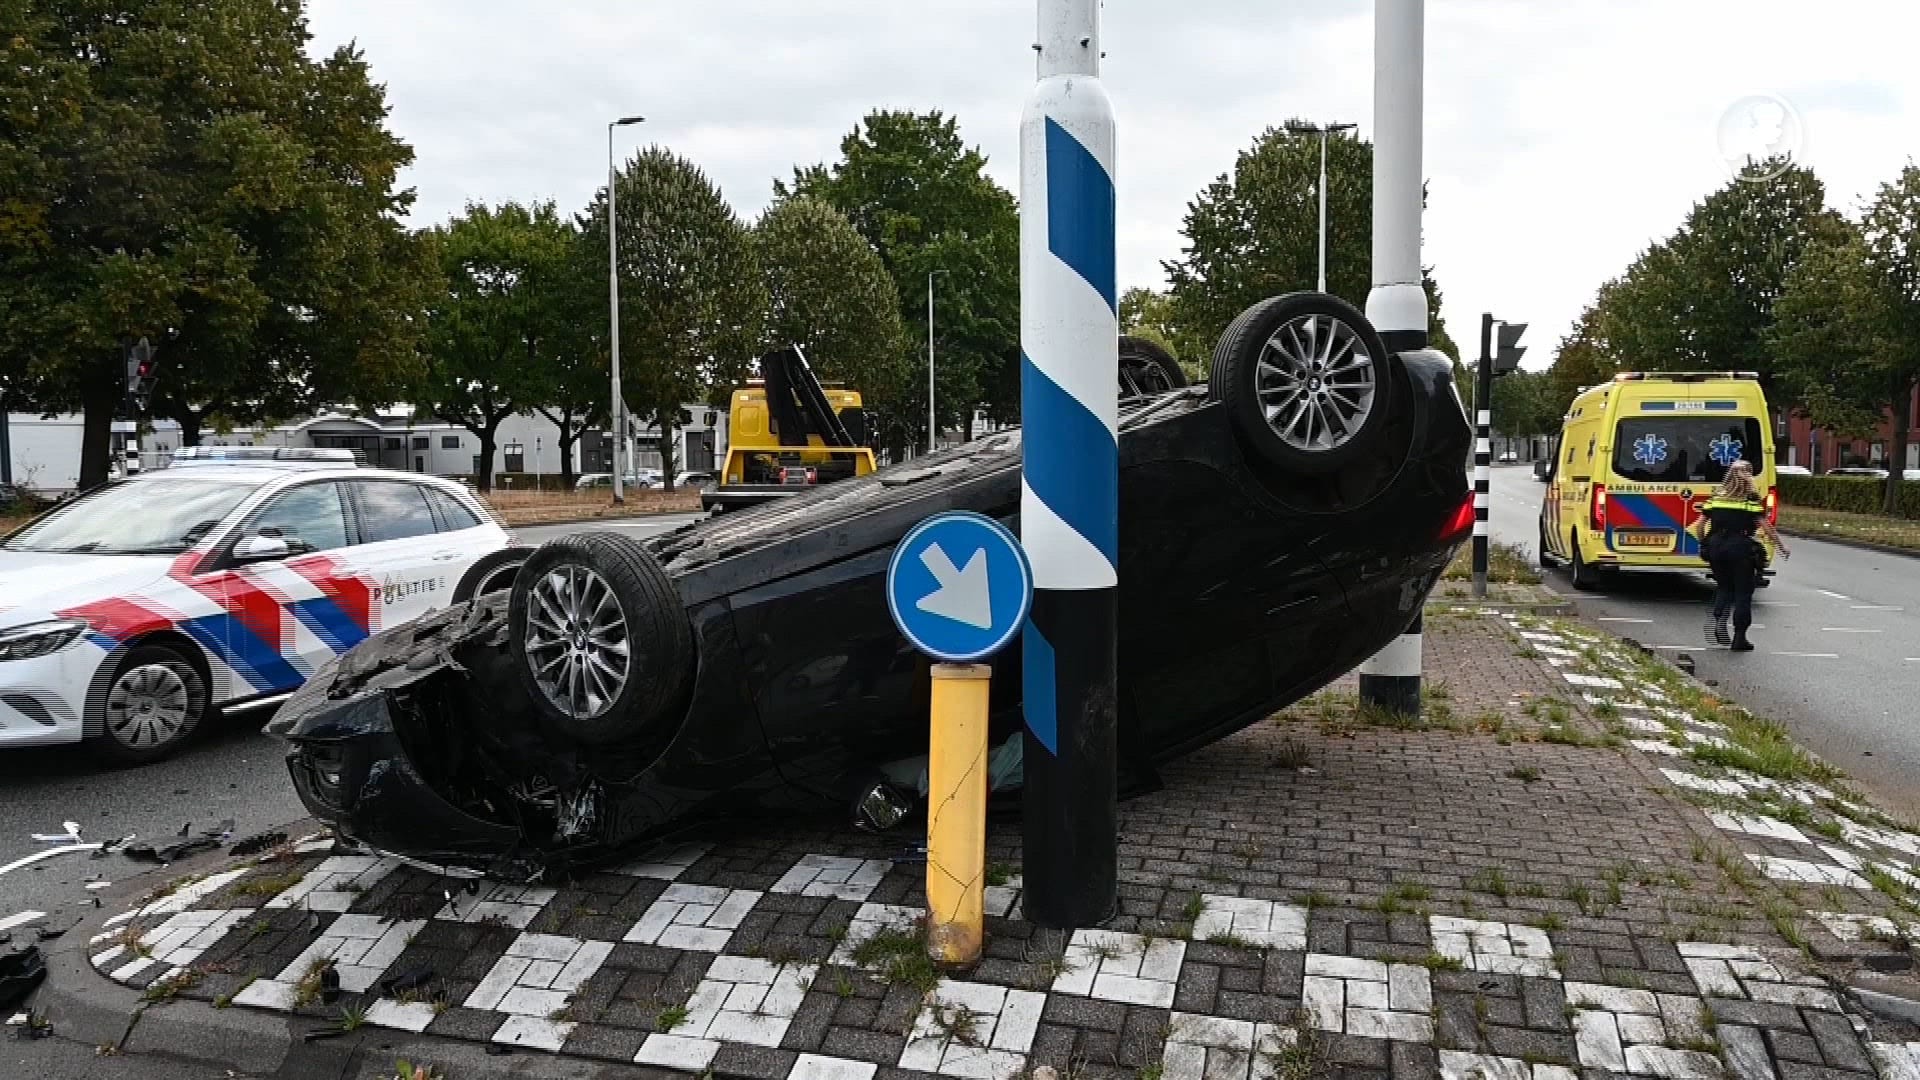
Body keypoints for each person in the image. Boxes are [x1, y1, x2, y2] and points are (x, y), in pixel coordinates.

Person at [1699, 460, 1789, 651]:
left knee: (1724, 587)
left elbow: (1700, 524)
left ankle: (1718, 619)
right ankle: (1739, 638)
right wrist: (1781, 546)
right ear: (1748, 476)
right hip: (1740, 547)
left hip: (1717, 547)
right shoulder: (1750, 498)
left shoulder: (1716, 496)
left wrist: (1705, 542)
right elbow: (1766, 527)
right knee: (1743, 593)